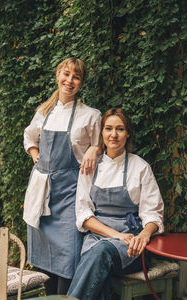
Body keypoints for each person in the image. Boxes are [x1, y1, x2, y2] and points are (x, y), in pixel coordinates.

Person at [67, 107, 164, 300]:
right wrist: (116, 235)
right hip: (98, 239)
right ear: (101, 132)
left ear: (128, 134)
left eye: (120, 129)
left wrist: (144, 235)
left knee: (100, 254)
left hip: (131, 245)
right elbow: (84, 215)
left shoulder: (140, 167)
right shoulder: (90, 167)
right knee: (99, 261)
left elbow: (153, 213)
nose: (113, 134)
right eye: (108, 128)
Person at [23, 57, 101, 295]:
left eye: (76, 77)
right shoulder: (43, 112)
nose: (70, 81)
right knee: (44, 256)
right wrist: (35, 154)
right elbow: (29, 137)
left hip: (70, 193)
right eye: (66, 74)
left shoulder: (91, 115)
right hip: (43, 191)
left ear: (81, 83)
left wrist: (93, 149)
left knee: (69, 253)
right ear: (58, 76)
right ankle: (47, 296)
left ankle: (66, 298)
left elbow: (100, 147)